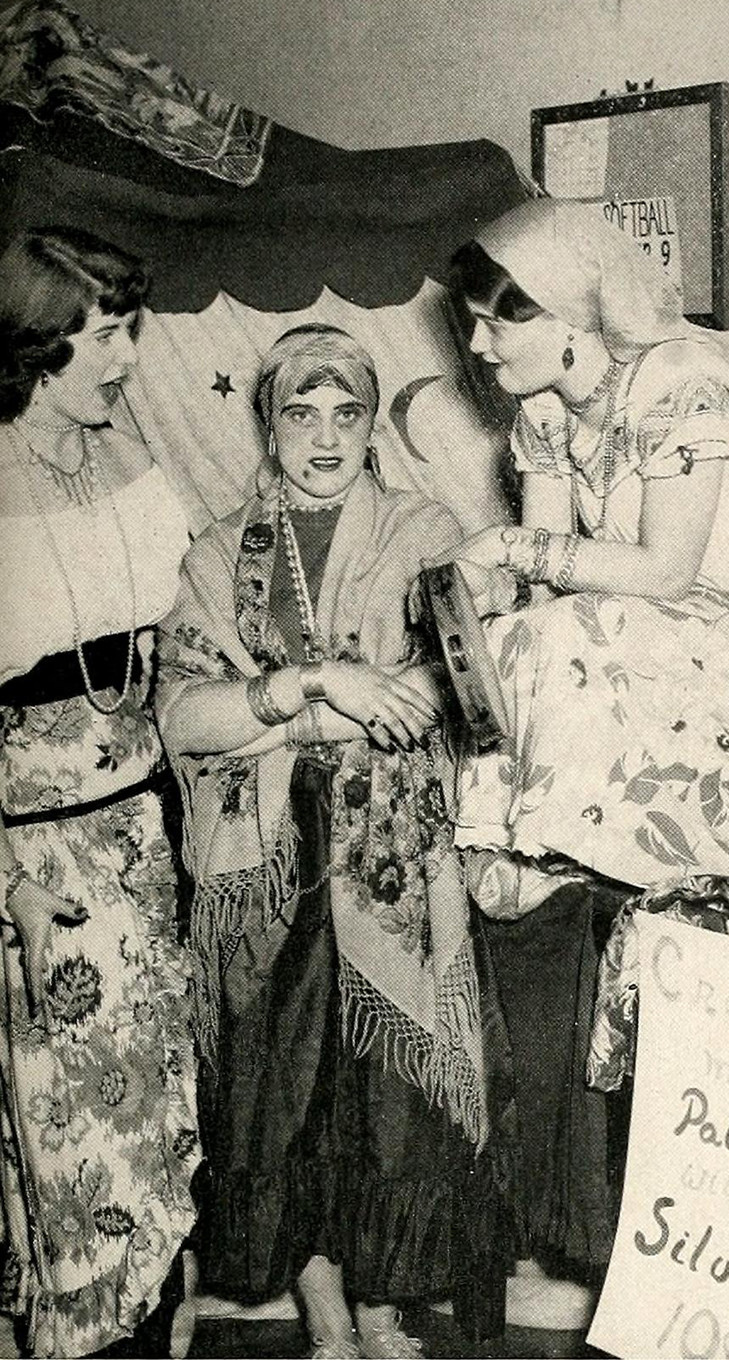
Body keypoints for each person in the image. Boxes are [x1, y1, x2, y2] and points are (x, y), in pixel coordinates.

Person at [436, 197, 729, 1320]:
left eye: (499, 321)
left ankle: (552, 837)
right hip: (669, 651)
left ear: (571, 313)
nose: (478, 344)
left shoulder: (680, 381)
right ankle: (525, 850)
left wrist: (515, 547)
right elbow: (548, 580)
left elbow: (662, 569)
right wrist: (492, 581)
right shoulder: (545, 413)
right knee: (522, 636)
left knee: (564, 636)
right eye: (473, 322)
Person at [156, 324, 506, 1360]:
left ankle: (384, 1302)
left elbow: (459, 686)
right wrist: (326, 690)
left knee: (387, 1092)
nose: (323, 436)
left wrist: (283, 709)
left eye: (346, 413)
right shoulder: (218, 554)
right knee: (286, 1092)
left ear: (368, 425)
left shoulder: (423, 530)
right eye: (299, 413)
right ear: (269, 426)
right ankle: (323, 1313)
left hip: (389, 853)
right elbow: (182, 717)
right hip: (265, 863)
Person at [0, 227, 200, 1359]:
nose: (129, 357)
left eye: (132, 330)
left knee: (162, 1122)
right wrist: (10, 889)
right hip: (43, 866)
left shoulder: (121, 449)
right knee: (78, 1138)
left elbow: (174, 622)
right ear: (40, 339)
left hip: (145, 837)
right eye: (109, 334)